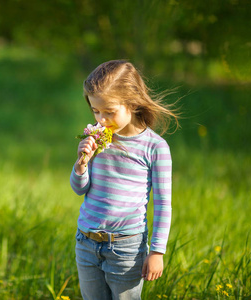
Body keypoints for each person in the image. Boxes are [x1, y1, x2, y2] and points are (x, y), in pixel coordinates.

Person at [70, 60, 178, 300]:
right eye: (96, 111)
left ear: (132, 103)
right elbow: (80, 189)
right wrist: (81, 164)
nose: (101, 119)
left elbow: (162, 204)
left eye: (109, 112)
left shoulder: (155, 148)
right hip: (86, 241)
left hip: (125, 249)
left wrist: (157, 252)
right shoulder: (97, 139)